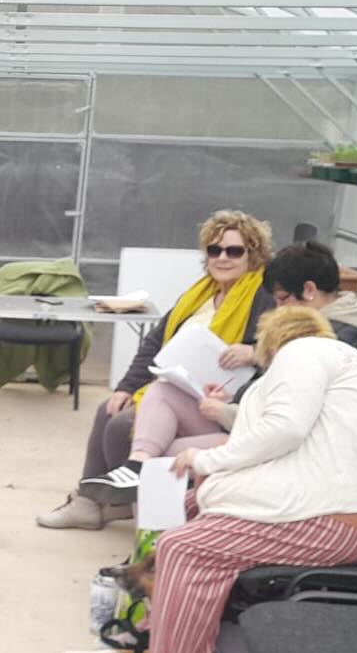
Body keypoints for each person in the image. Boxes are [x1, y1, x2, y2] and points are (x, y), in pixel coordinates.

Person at [97, 307, 357, 653]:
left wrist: (206, 461)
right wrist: (231, 412)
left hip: (332, 518)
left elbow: (285, 429)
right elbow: (290, 432)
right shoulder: (341, 365)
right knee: (184, 512)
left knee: (185, 547)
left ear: (270, 346)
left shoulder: (302, 352)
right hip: (335, 513)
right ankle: (153, 639)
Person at [36, 209, 276, 530]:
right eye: (214, 250)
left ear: (253, 254)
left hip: (220, 403)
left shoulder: (264, 297)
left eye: (234, 251)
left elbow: (283, 351)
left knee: (122, 426)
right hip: (178, 389)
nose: (222, 258)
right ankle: (89, 502)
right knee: (109, 409)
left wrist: (254, 352)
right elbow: (155, 343)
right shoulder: (200, 294)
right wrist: (126, 387)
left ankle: (128, 505)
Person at [263, 239, 357, 354]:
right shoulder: (341, 324)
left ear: (309, 290)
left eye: (283, 298)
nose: (279, 307)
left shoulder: (333, 342)